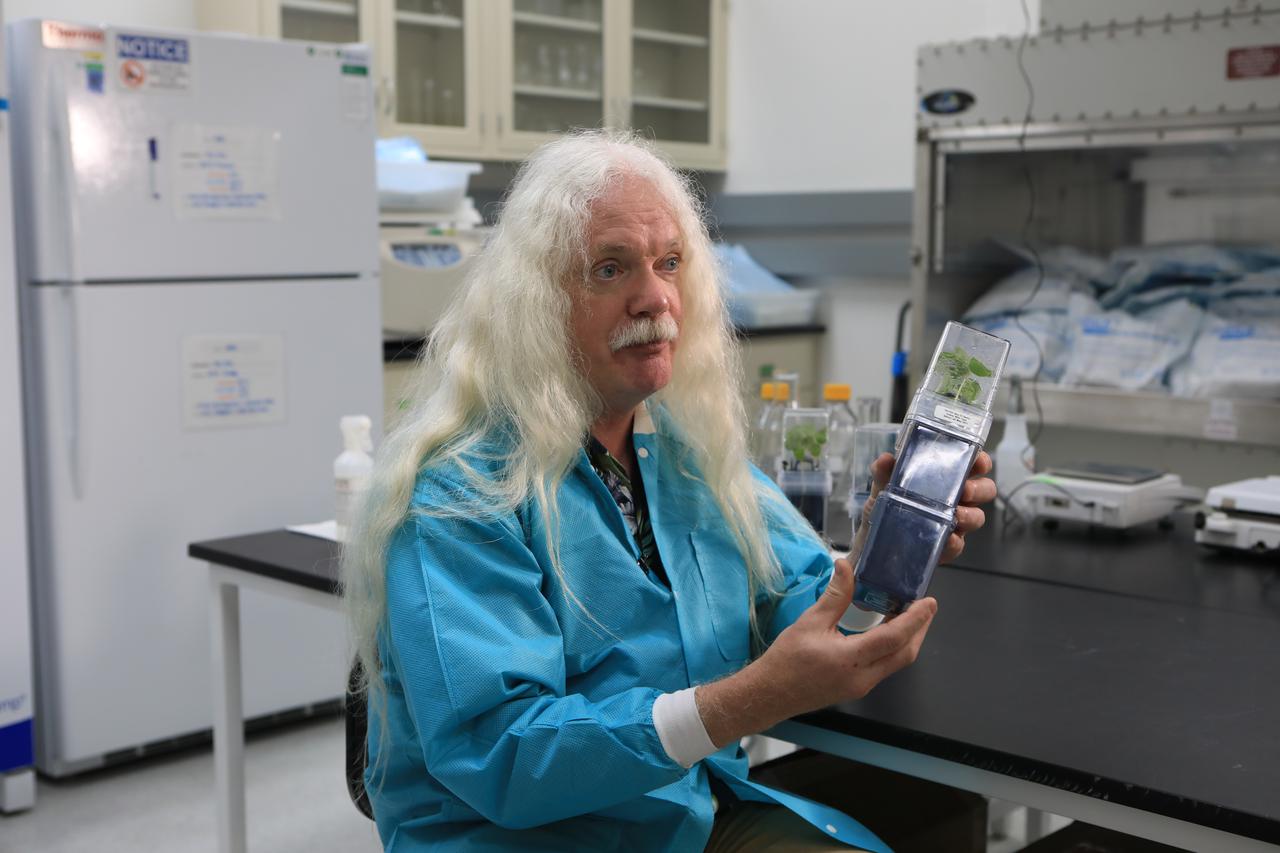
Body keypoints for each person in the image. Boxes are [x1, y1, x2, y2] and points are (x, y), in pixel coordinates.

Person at [342, 130, 995, 852]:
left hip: (675, 814)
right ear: (537, 303)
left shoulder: (685, 460)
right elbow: (506, 755)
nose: (654, 297)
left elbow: (810, 612)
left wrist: (881, 558)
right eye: (610, 268)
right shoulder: (458, 494)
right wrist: (749, 699)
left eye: (670, 263)